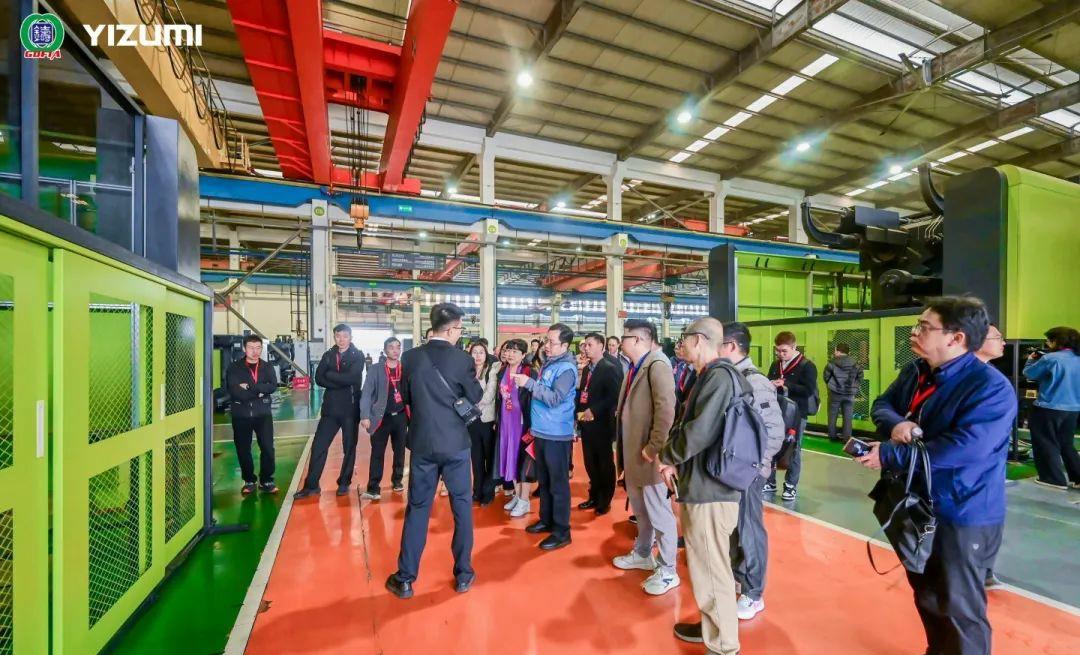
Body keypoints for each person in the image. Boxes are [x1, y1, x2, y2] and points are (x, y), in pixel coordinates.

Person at [859, 296, 1017, 655]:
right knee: (928, 594)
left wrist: (890, 454)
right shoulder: (917, 371)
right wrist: (896, 424)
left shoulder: (989, 388)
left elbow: (966, 448)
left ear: (956, 338)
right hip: (919, 505)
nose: (914, 333)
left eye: (924, 327)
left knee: (959, 608)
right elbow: (882, 405)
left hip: (962, 511)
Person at [386, 303, 483, 599]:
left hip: (424, 443)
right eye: (460, 328)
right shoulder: (462, 359)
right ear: (452, 329)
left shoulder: (411, 357)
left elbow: (407, 396)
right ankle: (463, 574)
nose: (460, 333)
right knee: (461, 508)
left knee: (418, 508)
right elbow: (475, 395)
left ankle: (405, 578)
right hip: (455, 445)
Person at [657, 317, 742, 655]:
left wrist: (667, 455)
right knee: (704, 565)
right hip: (703, 485)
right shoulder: (708, 376)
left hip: (712, 490)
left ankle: (724, 645)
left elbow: (699, 432)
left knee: (712, 568)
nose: (681, 344)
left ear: (699, 340)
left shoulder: (719, 378)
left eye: (684, 338)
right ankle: (712, 627)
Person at [720, 322, 785, 620]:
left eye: (718, 343)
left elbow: (774, 431)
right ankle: (739, 575)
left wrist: (757, 467)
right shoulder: (730, 377)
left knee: (750, 529)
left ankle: (754, 592)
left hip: (749, 471)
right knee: (734, 528)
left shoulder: (754, 382)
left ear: (732, 346)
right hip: (732, 469)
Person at [613, 319, 679, 596]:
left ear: (639, 340)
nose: (620, 342)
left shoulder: (657, 365)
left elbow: (666, 410)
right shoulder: (635, 366)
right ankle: (643, 553)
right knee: (641, 510)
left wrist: (654, 447)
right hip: (634, 454)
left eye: (624, 337)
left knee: (659, 514)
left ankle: (668, 569)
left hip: (648, 455)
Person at [511, 323, 579, 551]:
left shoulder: (566, 369)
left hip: (556, 434)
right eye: (546, 340)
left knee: (558, 484)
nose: (546, 345)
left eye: (552, 342)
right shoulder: (550, 364)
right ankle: (547, 519)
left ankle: (561, 531)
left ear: (565, 346)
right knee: (545, 480)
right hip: (542, 431)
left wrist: (529, 384)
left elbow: (555, 398)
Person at [295, 325, 364, 498]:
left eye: (345, 336)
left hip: (350, 409)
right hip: (330, 410)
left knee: (349, 448)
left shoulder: (358, 355)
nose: (341, 339)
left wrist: (331, 375)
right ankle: (311, 486)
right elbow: (319, 378)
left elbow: (352, 377)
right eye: (338, 336)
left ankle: (344, 483)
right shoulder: (328, 355)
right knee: (319, 446)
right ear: (334, 337)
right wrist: (340, 380)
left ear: (351, 337)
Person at [1023, 326, 1080, 490]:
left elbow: (1029, 374)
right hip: (1073, 409)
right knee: (1066, 443)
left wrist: (1031, 360)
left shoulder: (1051, 359)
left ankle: (1053, 479)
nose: (1047, 344)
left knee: (1045, 442)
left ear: (1056, 341)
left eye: (1048, 341)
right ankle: (1077, 477)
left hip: (1049, 407)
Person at [765, 331, 818, 501]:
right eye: (778, 351)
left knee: (794, 448)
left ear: (794, 347)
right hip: (777, 411)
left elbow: (808, 390)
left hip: (797, 414)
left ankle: (790, 485)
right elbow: (768, 380)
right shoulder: (776, 365)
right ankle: (770, 481)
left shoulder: (807, 366)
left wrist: (786, 384)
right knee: (772, 445)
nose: (780, 354)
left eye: (784, 351)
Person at [974, 323, 1007, 589]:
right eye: (997, 337)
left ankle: (984, 569)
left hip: (990, 464)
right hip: (970, 464)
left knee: (992, 513)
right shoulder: (966, 378)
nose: (1003, 342)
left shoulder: (992, 379)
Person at [576, 332, 623, 516]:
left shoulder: (609, 368)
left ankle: (605, 500)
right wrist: (579, 414)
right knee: (590, 463)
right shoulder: (587, 369)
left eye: (589, 345)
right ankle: (594, 495)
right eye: (585, 345)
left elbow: (614, 396)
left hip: (602, 424)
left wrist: (594, 410)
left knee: (604, 463)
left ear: (601, 347)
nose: (586, 348)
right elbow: (583, 393)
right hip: (586, 423)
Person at [226, 335, 279, 495]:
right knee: (243, 449)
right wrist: (259, 390)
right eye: (251, 348)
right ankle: (249, 480)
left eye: (258, 348)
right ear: (244, 348)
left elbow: (272, 386)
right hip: (241, 415)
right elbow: (235, 391)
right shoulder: (234, 368)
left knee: (268, 448)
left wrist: (249, 387)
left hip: (263, 414)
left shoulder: (267, 367)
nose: (255, 351)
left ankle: (267, 480)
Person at [358, 337, 409, 501]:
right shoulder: (376, 369)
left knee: (400, 451)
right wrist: (365, 415)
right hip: (381, 418)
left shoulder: (405, 369)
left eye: (398, 347)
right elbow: (366, 393)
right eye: (391, 347)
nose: (395, 350)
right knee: (377, 453)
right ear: (385, 350)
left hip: (400, 416)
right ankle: (373, 488)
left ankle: (397, 480)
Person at [496, 339, 538, 517]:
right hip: (506, 423)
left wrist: (533, 425)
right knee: (510, 459)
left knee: (523, 461)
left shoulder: (529, 372)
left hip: (522, 424)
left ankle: (525, 500)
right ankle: (517, 495)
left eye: (515, 351)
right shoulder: (502, 371)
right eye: (508, 350)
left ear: (523, 355)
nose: (510, 354)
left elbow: (535, 399)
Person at [469, 341, 499, 505]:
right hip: (471, 421)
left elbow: (490, 393)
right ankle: (477, 490)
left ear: (486, 354)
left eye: (481, 352)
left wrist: (473, 405)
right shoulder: (467, 371)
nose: (478, 355)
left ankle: (488, 492)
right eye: (475, 352)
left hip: (487, 420)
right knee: (476, 458)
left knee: (489, 457)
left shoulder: (492, 370)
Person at [823, 342, 863, 442]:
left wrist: (831, 385)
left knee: (832, 415)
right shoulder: (855, 363)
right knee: (848, 416)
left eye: (835, 350)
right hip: (849, 394)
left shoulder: (832, 362)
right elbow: (860, 377)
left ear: (838, 351)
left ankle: (832, 436)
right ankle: (846, 438)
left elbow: (826, 377)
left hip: (834, 393)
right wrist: (854, 387)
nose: (834, 352)